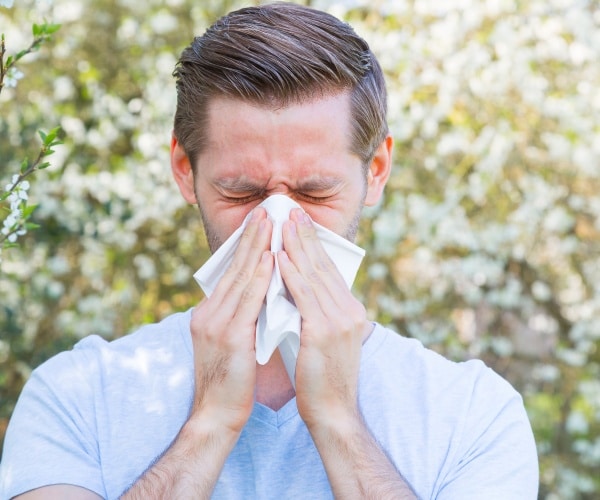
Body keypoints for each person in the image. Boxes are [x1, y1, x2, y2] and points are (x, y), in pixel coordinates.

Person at [0, 3, 539, 499]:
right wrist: (208, 424)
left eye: (315, 192)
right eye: (242, 192)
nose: (278, 223)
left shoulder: (475, 415)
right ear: (185, 171)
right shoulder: (73, 398)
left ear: (374, 173)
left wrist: (339, 423)